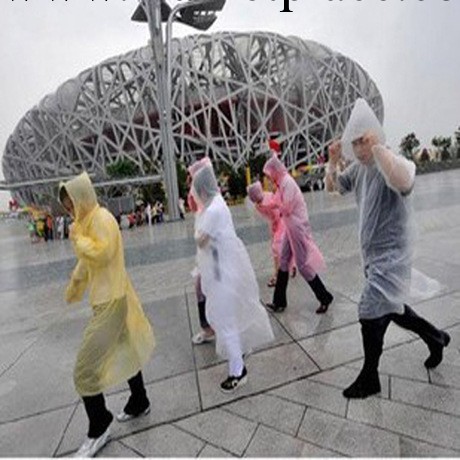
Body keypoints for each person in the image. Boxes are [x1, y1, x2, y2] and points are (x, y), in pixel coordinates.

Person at [325, 98, 450, 399]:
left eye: (362, 141)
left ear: (376, 137)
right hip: (372, 257)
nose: (358, 149)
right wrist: (331, 160)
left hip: (393, 256)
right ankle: (436, 337)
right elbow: (334, 188)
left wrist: (378, 148)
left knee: (369, 309)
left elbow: (405, 182)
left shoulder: (390, 160)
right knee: (391, 307)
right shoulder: (360, 170)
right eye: (354, 143)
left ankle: (370, 378)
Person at [59, 172, 155, 456]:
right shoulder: (86, 223)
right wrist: (75, 286)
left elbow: (102, 253)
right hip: (109, 298)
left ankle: (99, 425)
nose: (70, 211)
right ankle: (140, 400)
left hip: (111, 302)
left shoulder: (101, 219)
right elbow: (87, 265)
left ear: (83, 197)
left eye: (71, 205)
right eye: (66, 207)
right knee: (127, 349)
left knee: (84, 370)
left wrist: (77, 240)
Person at [191, 161, 274, 392]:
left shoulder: (214, 209)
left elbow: (200, 239)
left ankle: (238, 371)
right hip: (223, 269)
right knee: (228, 319)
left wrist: (198, 228)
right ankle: (238, 359)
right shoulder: (216, 203)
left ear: (203, 191)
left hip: (222, 273)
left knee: (225, 320)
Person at [263, 141, 334, 314]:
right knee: (284, 261)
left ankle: (324, 297)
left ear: (276, 171)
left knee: (302, 265)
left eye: (270, 174)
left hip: (297, 228)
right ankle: (279, 301)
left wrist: (276, 204)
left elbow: (286, 207)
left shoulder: (287, 183)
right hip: (290, 227)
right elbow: (276, 202)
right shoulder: (282, 183)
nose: (269, 177)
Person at [187, 159, 216, 345]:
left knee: (210, 291)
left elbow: (204, 238)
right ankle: (207, 328)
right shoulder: (205, 206)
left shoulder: (213, 207)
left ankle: (231, 336)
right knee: (200, 288)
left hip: (214, 259)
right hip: (205, 258)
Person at [247, 181, 295, 287]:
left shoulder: (268, 199)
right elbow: (269, 216)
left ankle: (278, 274)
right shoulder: (258, 205)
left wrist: (275, 223)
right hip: (274, 224)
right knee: (278, 248)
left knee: (277, 248)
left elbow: (277, 211)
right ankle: (290, 266)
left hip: (281, 222)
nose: (257, 202)